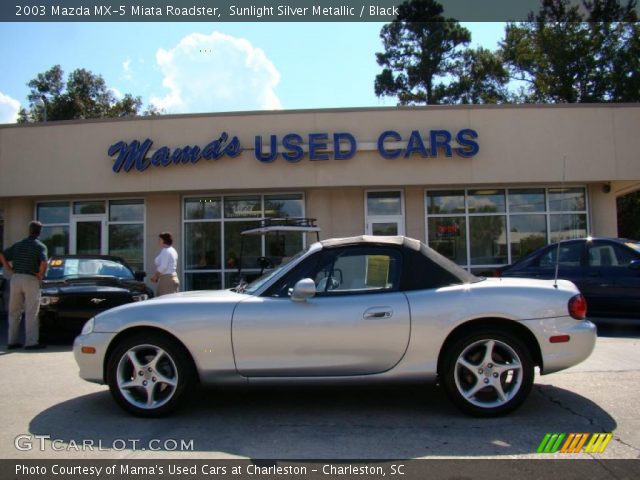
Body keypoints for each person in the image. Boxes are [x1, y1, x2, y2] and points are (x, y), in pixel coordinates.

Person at [0, 221, 48, 350]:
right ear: (39, 232)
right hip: (30, 278)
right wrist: (41, 275)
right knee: (31, 311)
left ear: (29, 230)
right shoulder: (40, 246)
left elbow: (2, 255)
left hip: (16, 278)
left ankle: (12, 341)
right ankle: (31, 342)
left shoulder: (18, 245)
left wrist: (8, 268)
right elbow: (44, 262)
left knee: (14, 311)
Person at [151, 232, 179, 296]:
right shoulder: (172, 250)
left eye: (159, 239)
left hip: (167, 280)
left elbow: (163, 267)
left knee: (163, 301)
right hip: (172, 278)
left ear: (163, 240)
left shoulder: (166, 251)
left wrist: (155, 276)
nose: (158, 241)